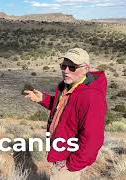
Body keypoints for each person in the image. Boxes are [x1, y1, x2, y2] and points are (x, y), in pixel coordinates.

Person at [24, 48, 107, 180]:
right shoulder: (69, 86)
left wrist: (72, 164)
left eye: (72, 67)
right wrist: (43, 99)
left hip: (67, 161)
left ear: (86, 68)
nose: (66, 70)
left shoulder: (91, 97)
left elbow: (93, 139)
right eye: (63, 66)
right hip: (59, 152)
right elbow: (66, 110)